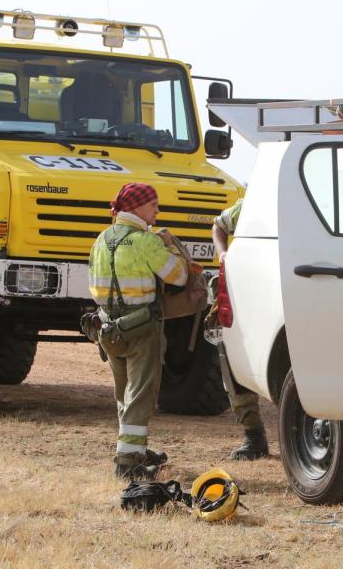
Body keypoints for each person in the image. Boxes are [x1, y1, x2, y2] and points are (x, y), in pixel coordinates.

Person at [89, 182, 189, 480]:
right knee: (140, 396)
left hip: (108, 329)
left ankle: (134, 450)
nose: (157, 210)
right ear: (136, 208)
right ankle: (127, 463)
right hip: (141, 328)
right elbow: (179, 276)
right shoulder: (147, 241)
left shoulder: (102, 239)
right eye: (153, 205)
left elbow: (92, 285)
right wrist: (171, 246)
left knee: (124, 394)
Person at [211, 197, 271, 460]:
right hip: (246, 293)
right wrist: (222, 254)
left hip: (286, 292)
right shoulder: (253, 201)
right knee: (236, 361)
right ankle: (253, 436)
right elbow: (218, 226)